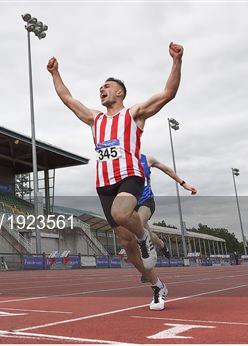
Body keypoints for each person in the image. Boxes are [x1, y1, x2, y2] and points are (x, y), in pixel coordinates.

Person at [47, 42, 184, 311]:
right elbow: (67, 99)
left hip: (130, 176)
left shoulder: (134, 114)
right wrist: (55, 74)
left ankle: (145, 237)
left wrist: (177, 61)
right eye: (100, 88)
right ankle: (157, 285)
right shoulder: (95, 119)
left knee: (124, 215)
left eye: (106, 86)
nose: (102, 89)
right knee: (125, 242)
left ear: (119, 92)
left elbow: (168, 93)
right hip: (104, 184)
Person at [137, 153, 197, 282]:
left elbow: (167, 169)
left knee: (138, 225)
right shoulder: (120, 160)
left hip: (146, 202)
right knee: (149, 235)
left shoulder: (147, 159)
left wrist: (183, 183)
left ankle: (147, 268)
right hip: (130, 204)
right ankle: (162, 244)